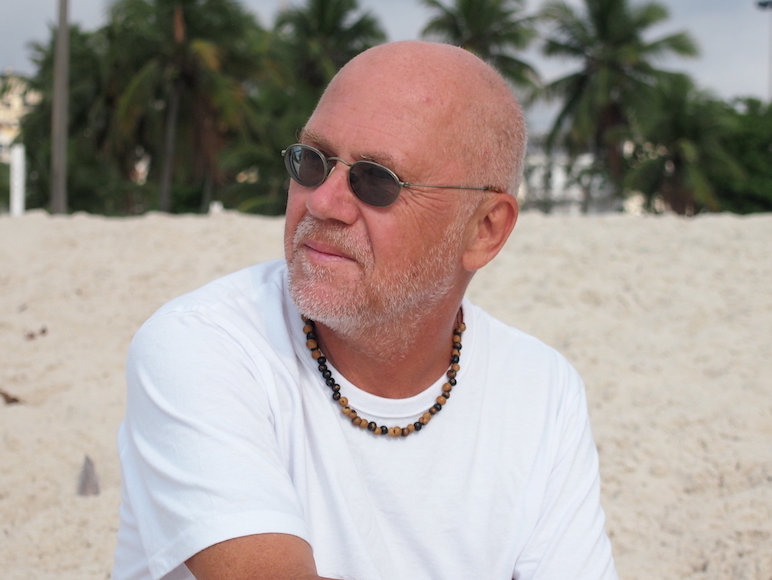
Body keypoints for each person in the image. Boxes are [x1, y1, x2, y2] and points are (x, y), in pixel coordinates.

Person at [112, 41, 618, 580]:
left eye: (376, 181)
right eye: (312, 162)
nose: (322, 202)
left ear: (484, 230)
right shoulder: (203, 345)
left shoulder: (542, 390)